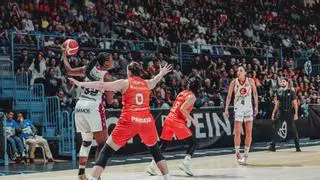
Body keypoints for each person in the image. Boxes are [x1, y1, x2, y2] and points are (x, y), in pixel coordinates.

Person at [68, 62, 173, 180]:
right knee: (156, 152)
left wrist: (81, 83)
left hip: (129, 120)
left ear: (129, 72)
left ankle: (93, 178)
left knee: (106, 152)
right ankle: (167, 177)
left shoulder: (125, 83)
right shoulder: (146, 83)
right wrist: (162, 73)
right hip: (146, 121)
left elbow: (102, 85)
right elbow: (156, 79)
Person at [61, 48, 114, 180]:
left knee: (86, 142)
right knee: (103, 144)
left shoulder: (87, 69)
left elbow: (69, 71)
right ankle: (97, 176)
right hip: (93, 106)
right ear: (106, 63)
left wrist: (64, 54)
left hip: (80, 106)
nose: (114, 61)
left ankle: (81, 172)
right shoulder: (107, 76)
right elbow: (110, 100)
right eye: (112, 59)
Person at [146, 77, 200, 176]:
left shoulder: (182, 92)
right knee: (193, 143)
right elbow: (183, 109)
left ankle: (151, 166)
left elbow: (177, 106)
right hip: (176, 121)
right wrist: (192, 119)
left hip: (169, 119)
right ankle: (185, 163)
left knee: (164, 145)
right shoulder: (192, 96)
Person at [224, 65, 258, 165]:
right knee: (237, 132)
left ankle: (246, 154)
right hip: (238, 108)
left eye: (241, 70)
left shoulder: (251, 81)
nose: (238, 71)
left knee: (249, 132)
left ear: (245, 73)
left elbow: (255, 94)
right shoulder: (233, 82)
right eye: (238, 70)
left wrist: (256, 106)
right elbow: (229, 96)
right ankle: (237, 152)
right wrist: (226, 108)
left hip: (248, 108)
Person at [269, 78, 301, 152]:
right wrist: (273, 113)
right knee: (275, 128)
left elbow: (295, 103)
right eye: (281, 81)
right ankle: (272, 146)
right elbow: (277, 104)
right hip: (280, 112)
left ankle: (297, 147)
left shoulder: (291, 91)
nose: (282, 82)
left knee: (293, 130)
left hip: (289, 112)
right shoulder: (278, 91)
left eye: (284, 81)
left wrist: (296, 113)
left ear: (287, 83)